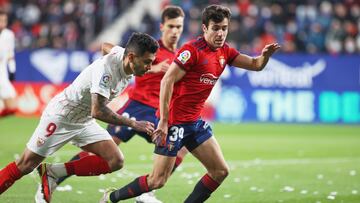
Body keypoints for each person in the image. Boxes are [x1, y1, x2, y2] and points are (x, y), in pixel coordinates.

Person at [101, 4, 280, 203]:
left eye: (224, 28)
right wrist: (164, 121)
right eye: (216, 28)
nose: (220, 33)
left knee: (220, 171)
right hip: (174, 123)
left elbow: (255, 65)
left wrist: (265, 56)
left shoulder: (226, 52)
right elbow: (167, 80)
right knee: (157, 180)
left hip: (194, 123)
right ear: (205, 28)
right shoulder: (191, 51)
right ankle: (111, 198)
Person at [37, 6, 187, 203]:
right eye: (171, 26)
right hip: (136, 107)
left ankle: (147, 193)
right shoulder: (150, 49)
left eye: (179, 27)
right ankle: (56, 176)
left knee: (179, 147)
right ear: (162, 26)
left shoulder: (181, 56)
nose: (175, 31)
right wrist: (155, 68)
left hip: (157, 113)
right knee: (101, 152)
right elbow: (107, 47)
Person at [0, 32, 159, 203]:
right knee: (25, 164)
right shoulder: (107, 71)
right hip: (61, 117)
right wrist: (134, 123)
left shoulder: (121, 55)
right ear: (132, 57)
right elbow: (97, 111)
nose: (149, 67)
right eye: (147, 62)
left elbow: (105, 45)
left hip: (83, 121)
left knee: (115, 160)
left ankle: (54, 172)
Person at [0, 10, 17, 117]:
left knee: (11, 105)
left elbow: (11, 54)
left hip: (2, 72)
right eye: (0, 20)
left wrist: (12, 70)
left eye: (4, 20)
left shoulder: (9, 35)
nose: (2, 23)